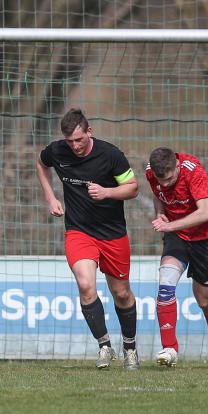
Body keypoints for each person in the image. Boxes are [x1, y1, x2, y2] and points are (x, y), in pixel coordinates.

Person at [35, 108, 141, 370]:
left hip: (113, 233)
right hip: (79, 231)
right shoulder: (58, 151)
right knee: (85, 284)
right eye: (70, 141)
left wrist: (107, 192)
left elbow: (133, 188)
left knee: (122, 293)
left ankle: (130, 348)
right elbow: (40, 162)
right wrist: (50, 197)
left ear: (89, 131)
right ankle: (104, 346)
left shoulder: (111, 155)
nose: (75, 146)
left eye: (79, 139)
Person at [146, 147, 208, 367]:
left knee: (204, 300)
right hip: (177, 236)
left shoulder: (194, 172)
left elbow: (205, 212)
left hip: (205, 237)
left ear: (177, 167)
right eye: (161, 180)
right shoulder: (153, 173)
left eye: (169, 180)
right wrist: (159, 212)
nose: (165, 184)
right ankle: (170, 348)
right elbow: (157, 193)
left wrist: (169, 224)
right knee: (166, 283)